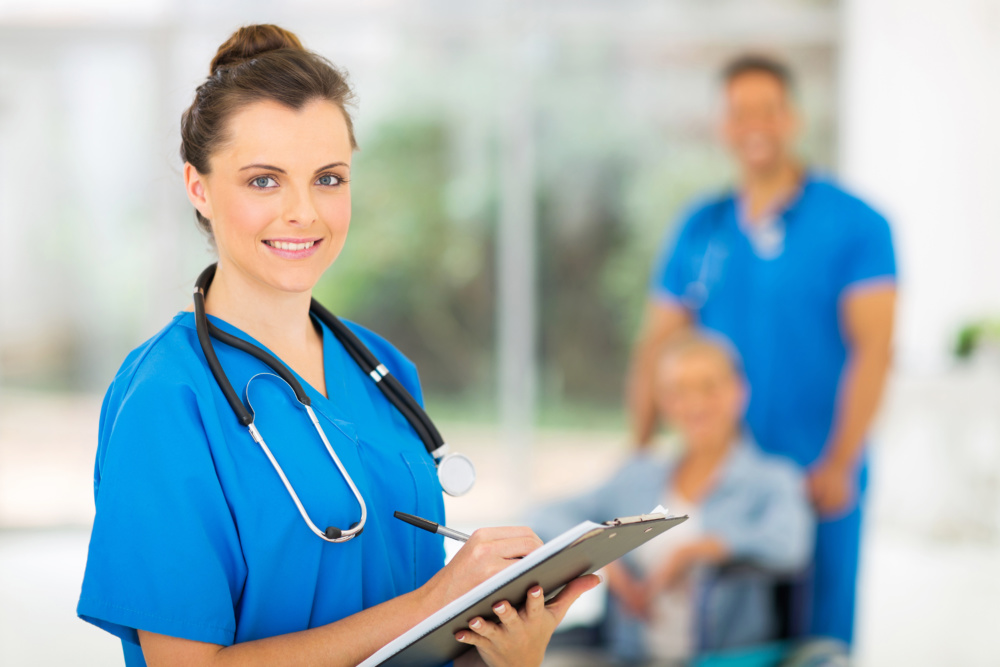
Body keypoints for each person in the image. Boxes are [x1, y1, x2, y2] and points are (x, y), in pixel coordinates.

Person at [76, 25, 598, 667]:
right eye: (264, 181)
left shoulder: (380, 368)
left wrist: (503, 644)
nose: (304, 212)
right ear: (198, 188)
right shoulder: (165, 399)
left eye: (328, 178)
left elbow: (422, 637)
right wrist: (438, 598)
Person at [626, 54, 896, 647]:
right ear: (723, 125)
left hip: (817, 470)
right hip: (725, 475)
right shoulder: (701, 226)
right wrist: (639, 454)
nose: (754, 125)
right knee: (718, 628)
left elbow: (875, 350)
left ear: (792, 118)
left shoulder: (857, 225)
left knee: (815, 636)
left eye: (768, 110)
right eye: (739, 112)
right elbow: (657, 346)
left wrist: (842, 461)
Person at [532, 334, 813, 664]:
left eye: (709, 387)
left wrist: (698, 549)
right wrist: (600, 553)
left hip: (724, 658)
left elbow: (791, 544)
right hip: (629, 655)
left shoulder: (773, 479)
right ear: (664, 402)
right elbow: (543, 516)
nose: (694, 404)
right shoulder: (637, 476)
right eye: (678, 391)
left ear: (739, 392)